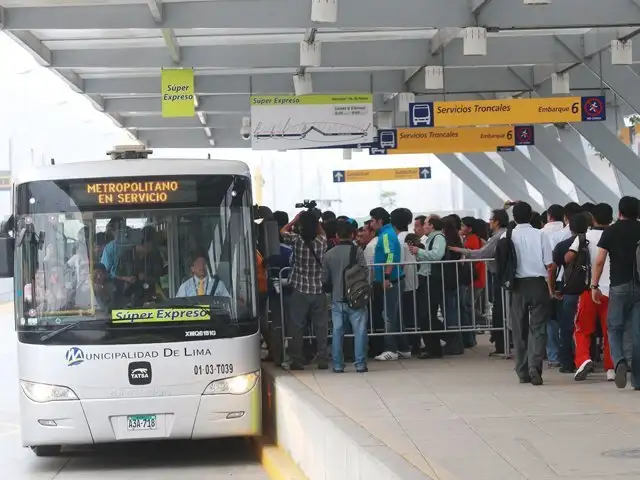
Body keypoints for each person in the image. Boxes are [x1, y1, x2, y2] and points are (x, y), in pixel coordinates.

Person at [591, 196, 640, 389]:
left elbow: (600, 260)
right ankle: (637, 379)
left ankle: (619, 361)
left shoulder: (611, 231)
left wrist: (594, 286)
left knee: (614, 328)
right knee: (637, 333)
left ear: (619, 212)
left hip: (619, 285)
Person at [504, 201, 553, 386]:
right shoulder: (540, 235)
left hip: (517, 286)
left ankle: (522, 370)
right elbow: (549, 264)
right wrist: (551, 288)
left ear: (514, 217)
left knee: (519, 328)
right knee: (538, 328)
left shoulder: (507, 236)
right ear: (531, 215)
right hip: (538, 284)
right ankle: (535, 366)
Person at [565, 203, 614, 382]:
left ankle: (583, 359)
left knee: (582, 329)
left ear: (593, 218)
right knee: (610, 331)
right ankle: (611, 368)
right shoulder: (614, 235)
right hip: (612, 291)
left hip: (589, 290)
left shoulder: (584, 237)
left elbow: (569, 256)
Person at [450, 209, 509, 354]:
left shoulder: (497, 237)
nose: (489, 222)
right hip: (491, 277)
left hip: (488, 278)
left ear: (497, 221)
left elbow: (482, 253)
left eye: (491, 219)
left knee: (477, 307)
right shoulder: (499, 235)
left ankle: (500, 341)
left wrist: (462, 251)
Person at [281, 209, 329, 370]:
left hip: (300, 290)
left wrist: (294, 220)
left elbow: (283, 231)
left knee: (297, 325)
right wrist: (317, 221)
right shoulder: (322, 242)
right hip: (318, 290)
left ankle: (296, 360)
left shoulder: (296, 241)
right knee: (321, 326)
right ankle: (322, 358)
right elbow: (322, 232)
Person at [322, 220, 368, 373]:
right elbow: (365, 272)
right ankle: (360, 364)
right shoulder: (358, 251)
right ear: (352, 234)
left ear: (336, 235)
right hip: (356, 298)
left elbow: (324, 279)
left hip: (337, 299)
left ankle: (337, 365)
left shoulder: (328, 254)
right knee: (359, 332)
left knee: (337, 331)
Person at [547, 212, 590, 374]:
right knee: (586, 327)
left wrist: (553, 291)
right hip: (589, 291)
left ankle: (567, 362)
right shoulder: (591, 242)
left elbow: (552, 269)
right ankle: (587, 358)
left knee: (566, 327)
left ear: (569, 227)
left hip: (570, 290)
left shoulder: (562, 245)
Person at [369, 207, 409, 361]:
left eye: (373, 220)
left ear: (380, 220)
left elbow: (390, 255)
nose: (371, 224)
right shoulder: (388, 233)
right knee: (395, 316)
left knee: (389, 317)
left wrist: (386, 276)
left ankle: (391, 349)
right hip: (394, 279)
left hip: (391, 280)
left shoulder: (386, 235)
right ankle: (404, 348)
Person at [409, 215, 446, 358]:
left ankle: (436, 346)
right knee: (426, 314)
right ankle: (433, 346)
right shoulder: (430, 238)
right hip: (425, 277)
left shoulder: (438, 238)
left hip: (432, 279)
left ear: (432, 225)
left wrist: (420, 252)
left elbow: (437, 255)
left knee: (427, 314)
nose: (423, 227)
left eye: (425, 224)